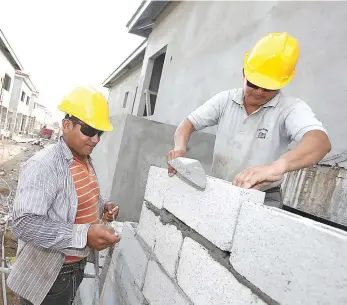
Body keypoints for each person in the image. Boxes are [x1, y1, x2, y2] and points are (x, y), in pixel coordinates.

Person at [166, 32, 331, 207]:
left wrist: (276, 167)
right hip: (220, 189)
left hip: (263, 197)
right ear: (244, 74)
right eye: (253, 84)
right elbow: (188, 124)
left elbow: (320, 142)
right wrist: (180, 147)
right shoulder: (225, 100)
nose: (260, 92)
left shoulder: (290, 108)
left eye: (268, 87)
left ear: (282, 83)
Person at [7, 87, 120, 305]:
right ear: (67, 125)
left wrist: (104, 205)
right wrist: (84, 235)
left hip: (73, 268)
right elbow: (24, 223)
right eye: (89, 130)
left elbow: (78, 198)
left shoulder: (84, 160)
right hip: (51, 276)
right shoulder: (45, 165)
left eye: (100, 133)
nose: (96, 139)